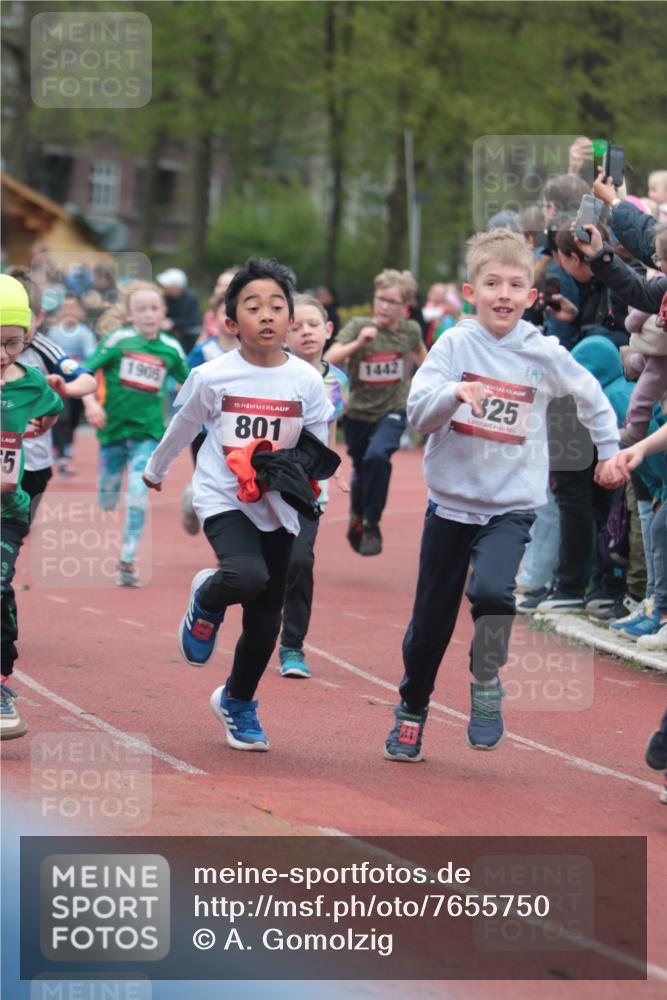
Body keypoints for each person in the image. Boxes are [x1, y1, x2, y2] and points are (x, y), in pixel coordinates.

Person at [383, 229, 620, 763]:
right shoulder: (454, 345)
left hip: (510, 507)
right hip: (450, 504)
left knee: (493, 594)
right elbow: (419, 411)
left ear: (532, 298)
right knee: (429, 626)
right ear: (471, 292)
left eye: (516, 284)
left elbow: (590, 394)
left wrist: (608, 449)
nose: (504, 294)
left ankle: (486, 680)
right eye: (492, 283)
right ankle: (411, 710)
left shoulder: (542, 352)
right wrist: (453, 394)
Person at [142, 259, 334, 751]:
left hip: (281, 504)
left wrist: (312, 483)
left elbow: (318, 441)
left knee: (267, 616)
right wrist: (158, 468)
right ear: (231, 323)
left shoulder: (307, 381)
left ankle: (237, 701)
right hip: (224, 495)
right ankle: (208, 598)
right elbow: (184, 424)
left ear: (292, 320)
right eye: (253, 307)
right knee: (245, 576)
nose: (266, 315)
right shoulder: (212, 376)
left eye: (277, 306)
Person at [84, 281, 190, 587]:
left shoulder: (170, 349)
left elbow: (192, 384)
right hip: (112, 431)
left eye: (154, 308)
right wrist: (91, 404)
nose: (148, 314)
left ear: (163, 313)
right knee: (107, 497)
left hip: (147, 434)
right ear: (130, 315)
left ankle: (127, 560)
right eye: (141, 309)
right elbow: (85, 373)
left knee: (137, 496)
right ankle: (110, 506)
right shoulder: (118, 340)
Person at [0, 275, 64, 739]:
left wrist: (45, 420)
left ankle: (0, 683)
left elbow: (54, 401)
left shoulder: (30, 382)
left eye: (13, 343)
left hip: (8, 509)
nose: (4, 354)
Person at [324, 269, 426, 556]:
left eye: (392, 302)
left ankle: (372, 523)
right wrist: (359, 344)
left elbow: (424, 358)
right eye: (380, 298)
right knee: (362, 469)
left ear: (404, 307)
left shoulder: (409, 331)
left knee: (378, 456)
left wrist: (431, 385)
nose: (384, 306)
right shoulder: (359, 326)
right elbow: (328, 358)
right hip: (358, 412)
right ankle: (357, 517)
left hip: (393, 408)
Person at [279, 294, 349, 678]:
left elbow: (330, 426)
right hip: (267, 482)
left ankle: (292, 646)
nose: (305, 332)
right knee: (263, 567)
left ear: (327, 330)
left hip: (309, 485)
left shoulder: (338, 380)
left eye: (312, 324)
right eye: (296, 325)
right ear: (284, 333)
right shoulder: (275, 373)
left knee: (300, 561)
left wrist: (334, 466)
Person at [8, 269, 98, 514]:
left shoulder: (44, 349)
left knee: (18, 527)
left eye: (22, 321)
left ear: (39, 317)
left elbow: (86, 379)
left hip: (34, 462)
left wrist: (66, 388)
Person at [181, 291, 240, 535]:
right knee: (210, 483)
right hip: (205, 431)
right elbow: (186, 386)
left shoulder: (252, 352)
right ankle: (194, 499)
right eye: (222, 313)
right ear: (213, 319)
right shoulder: (203, 351)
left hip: (237, 430)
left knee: (236, 486)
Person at [607, 419, 667, 650]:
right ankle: (654, 605)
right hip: (649, 479)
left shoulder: (622, 392)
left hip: (655, 477)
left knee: (660, 530)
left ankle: (659, 612)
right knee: (655, 529)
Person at [45, 296, 98, 476]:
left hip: (78, 381)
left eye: (73, 308)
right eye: (66, 308)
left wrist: (78, 363)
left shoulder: (84, 333)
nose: (69, 312)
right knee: (62, 417)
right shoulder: (53, 332)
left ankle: (66, 445)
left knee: (74, 419)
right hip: (59, 381)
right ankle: (60, 453)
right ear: (60, 312)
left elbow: (91, 356)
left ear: (80, 313)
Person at [156, 268, 202, 355]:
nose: (164, 287)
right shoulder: (163, 298)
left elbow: (193, 320)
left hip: (187, 341)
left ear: (176, 287)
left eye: (167, 285)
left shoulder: (191, 298)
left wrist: (173, 324)